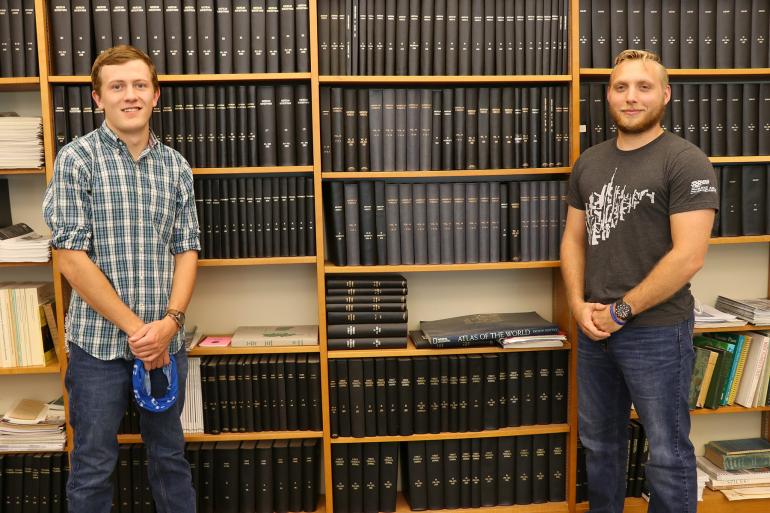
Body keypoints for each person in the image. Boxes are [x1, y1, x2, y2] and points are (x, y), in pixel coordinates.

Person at [43, 45, 199, 513]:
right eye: (117, 87)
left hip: (165, 344)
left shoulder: (176, 167)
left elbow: (186, 250)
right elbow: (71, 259)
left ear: (155, 95)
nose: (129, 95)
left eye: (139, 85)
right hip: (97, 350)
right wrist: (138, 330)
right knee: (92, 465)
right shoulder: (76, 160)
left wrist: (169, 324)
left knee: (171, 458)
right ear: (97, 99)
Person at [561, 49, 719, 513]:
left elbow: (689, 256)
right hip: (593, 332)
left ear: (665, 95)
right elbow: (573, 240)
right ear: (609, 95)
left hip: (656, 332)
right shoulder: (589, 161)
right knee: (600, 445)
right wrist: (576, 305)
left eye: (643, 87)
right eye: (621, 87)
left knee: (668, 453)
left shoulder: (685, 161)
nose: (631, 97)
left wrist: (621, 310)